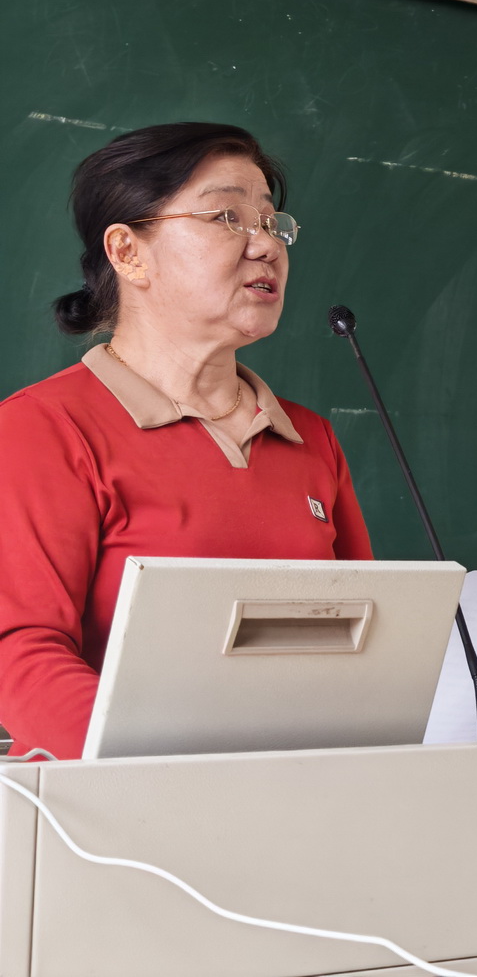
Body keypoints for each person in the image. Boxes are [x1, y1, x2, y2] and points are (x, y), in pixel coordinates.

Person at [0, 123, 372, 759]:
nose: (267, 245)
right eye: (228, 217)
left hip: (302, 790)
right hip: (124, 801)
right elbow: (21, 651)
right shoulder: (43, 429)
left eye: (273, 223)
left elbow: (367, 643)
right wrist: (178, 781)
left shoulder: (311, 438)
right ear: (128, 252)